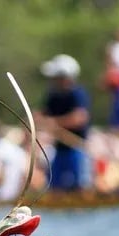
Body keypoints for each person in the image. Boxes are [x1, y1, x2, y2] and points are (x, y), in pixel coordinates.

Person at [40, 54, 91, 191]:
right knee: (55, 186)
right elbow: (43, 115)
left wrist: (54, 122)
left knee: (80, 186)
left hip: (76, 147)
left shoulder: (77, 94)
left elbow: (79, 118)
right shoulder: (53, 96)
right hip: (59, 149)